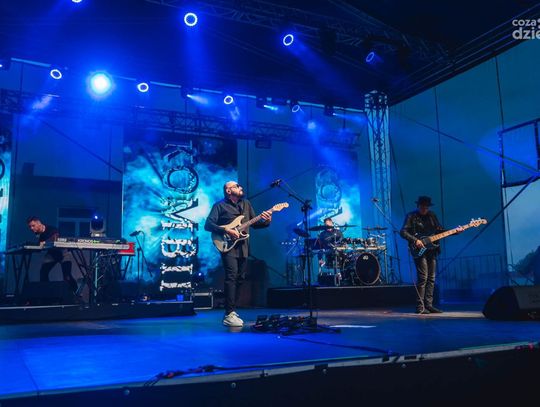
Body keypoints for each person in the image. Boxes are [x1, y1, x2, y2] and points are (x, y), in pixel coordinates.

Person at [204, 181, 272, 327]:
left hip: (243, 247)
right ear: (228, 191)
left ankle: (232, 311)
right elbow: (208, 225)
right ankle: (229, 313)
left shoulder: (246, 204)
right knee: (231, 276)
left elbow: (255, 223)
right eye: (236, 186)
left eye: (240, 186)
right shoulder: (219, 205)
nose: (240, 187)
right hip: (227, 246)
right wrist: (226, 230)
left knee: (240, 278)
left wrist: (267, 220)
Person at [400, 196, 462, 314]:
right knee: (423, 277)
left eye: (426, 207)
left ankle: (429, 305)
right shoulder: (411, 216)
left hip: (432, 249)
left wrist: (455, 232)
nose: (424, 209)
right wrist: (415, 240)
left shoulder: (432, 216)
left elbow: (440, 231)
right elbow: (403, 232)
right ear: (418, 206)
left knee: (432, 278)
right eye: (422, 206)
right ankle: (420, 306)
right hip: (418, 249)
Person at [27, 216, 78, 294]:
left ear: (39, 223)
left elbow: (55, 238)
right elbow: (40, 246)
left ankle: (76, 293)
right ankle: (47, 293)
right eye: (30, 227)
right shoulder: (38, 233)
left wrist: (44, 242)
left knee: (67, 275)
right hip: (52, 253)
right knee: (43, 272)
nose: (31, 228)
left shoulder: (51, 229)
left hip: (63, 252)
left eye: (33, 226)